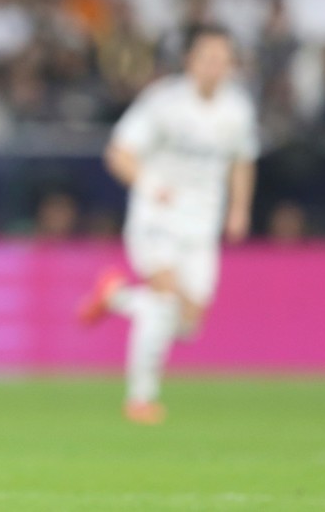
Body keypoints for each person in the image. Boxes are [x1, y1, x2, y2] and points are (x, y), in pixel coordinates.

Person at [79, 24, 258, 425]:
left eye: (223, 59)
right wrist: (150, 186)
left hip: (202, 226)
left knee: (189, 323)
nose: (215, 66)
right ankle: (140, 399)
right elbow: (119, 153)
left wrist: (239, 209)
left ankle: (116, 297)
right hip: (157, 219)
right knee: (164, 303)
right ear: (190, 60)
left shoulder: (238, 108)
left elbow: (242, 161)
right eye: (208, 57)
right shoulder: (163, 102)